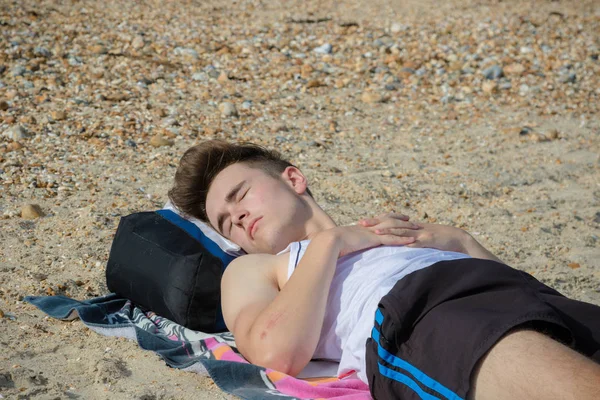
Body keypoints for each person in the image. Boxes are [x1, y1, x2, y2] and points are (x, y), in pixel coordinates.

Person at [168, 140, 600, 400]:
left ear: (293, 179)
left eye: (240, 196)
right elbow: (272, 350)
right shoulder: (258, 269)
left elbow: (528, 297)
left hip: (511, 293)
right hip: (421, 318)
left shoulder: (380, 230)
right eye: (226, 223)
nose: (237, 218)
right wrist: (330, 243)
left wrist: (462, 241)